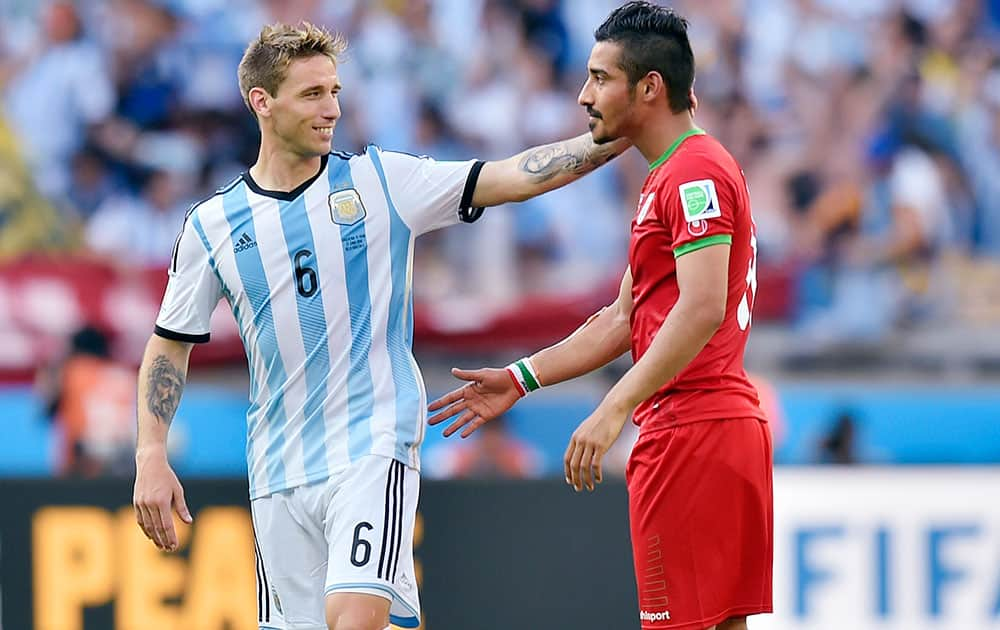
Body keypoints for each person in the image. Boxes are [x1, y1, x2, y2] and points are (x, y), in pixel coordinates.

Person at [131, 21, 627, 630]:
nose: (333, 109)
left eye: (335, 91)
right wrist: (151, 452)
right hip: (276, 469)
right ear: (262, 102)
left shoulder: (380, 182)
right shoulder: (212, 226)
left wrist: (619, 134)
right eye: (313, 94)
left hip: (371, 445)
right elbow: (169, 345)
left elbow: (513, 175)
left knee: (356, 620)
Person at [428, 3, 772, 629]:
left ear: (649, 87)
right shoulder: (676, 173)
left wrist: (614, 407)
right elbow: (622, 318)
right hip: (710, 426)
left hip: (691, 428)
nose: (585, 95)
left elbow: (700, 308)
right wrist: (522, 377)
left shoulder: (692, 172)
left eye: (599, 78)